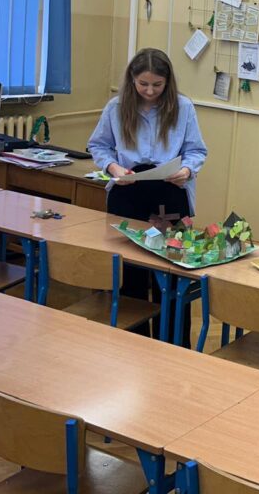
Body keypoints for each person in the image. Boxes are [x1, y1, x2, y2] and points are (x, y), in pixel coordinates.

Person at [88, 47, 207, 338]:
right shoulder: (116, 107)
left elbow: (196, 151)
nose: (150, 91)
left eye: (157, 85)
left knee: (172, 269)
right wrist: (114, 168)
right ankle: (135, 342)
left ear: (168, 82)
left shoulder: (183, 107)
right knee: (131, 273)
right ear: (132, 79)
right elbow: (98, 145)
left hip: (169, 195)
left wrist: (187, 170)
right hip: (128, 194)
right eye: (143, 84)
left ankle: (173, 343)